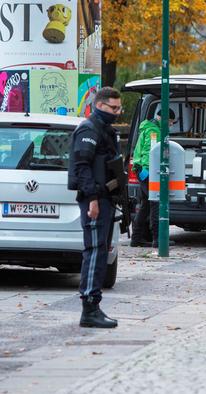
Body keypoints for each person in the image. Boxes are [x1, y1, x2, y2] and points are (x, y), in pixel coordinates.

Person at [68, 87, 125, 329]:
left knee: (100, 251)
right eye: (114, 108)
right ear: (100, 105)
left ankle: (94, 306)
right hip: (95, 200)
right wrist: (92, 198)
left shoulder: (104, 130)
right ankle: (89, 307)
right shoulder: (89, 130)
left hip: (104, 199)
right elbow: (82, 166)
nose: (118, 112)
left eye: (119, 108)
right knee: (94, 251)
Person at [130, 108, 176, 248]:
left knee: (145, 206)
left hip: (143, 171)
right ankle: (158, 239)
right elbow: (149, 153)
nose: (170, 125)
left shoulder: (149, 127)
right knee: (156, 203)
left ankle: (136, 239)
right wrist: (153, 173)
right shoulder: (153, 132)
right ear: (162, 119)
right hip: (148, 172)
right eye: (169, 122)